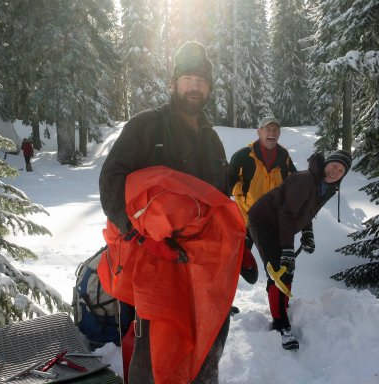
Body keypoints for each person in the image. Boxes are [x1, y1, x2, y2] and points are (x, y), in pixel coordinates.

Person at [98, 41, 245, 384]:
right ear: (175, 83)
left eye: (201, 80)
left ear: (209, 87)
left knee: (209, 339)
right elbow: (111, 181)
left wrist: (237, 243)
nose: (195, 86)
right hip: (155, 263)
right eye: (188, 78)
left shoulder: (212, 140)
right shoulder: (147, 126)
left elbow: (217, 200)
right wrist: (138, 236)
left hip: (202, 266)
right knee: (158, 348)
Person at [248, 149, 352, 350]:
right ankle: (280, 324)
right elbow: (287, 213)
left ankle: (281, 305)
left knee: (286, 269)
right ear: (326, 164)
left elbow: (306, 212)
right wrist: (288, 249)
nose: (335, 171)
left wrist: (307, 234)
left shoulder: (325, 186)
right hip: (264, 222)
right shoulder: (305, 180)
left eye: (341, 170)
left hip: (279, 223)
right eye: (334, 165)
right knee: (279, 269)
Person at [229, 116, 297, 284]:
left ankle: (279, 304)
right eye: (268, 129)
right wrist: (243, 191)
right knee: (231, 265)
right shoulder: (243, 155)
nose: (271, 133)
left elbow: (294, 184)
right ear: (259, 131)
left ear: (279, 133)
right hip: (245, 221)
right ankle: (225, 305)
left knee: (277, 267)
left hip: (271, 223)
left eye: (275, 130)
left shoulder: (284, 156)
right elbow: (227, 182)